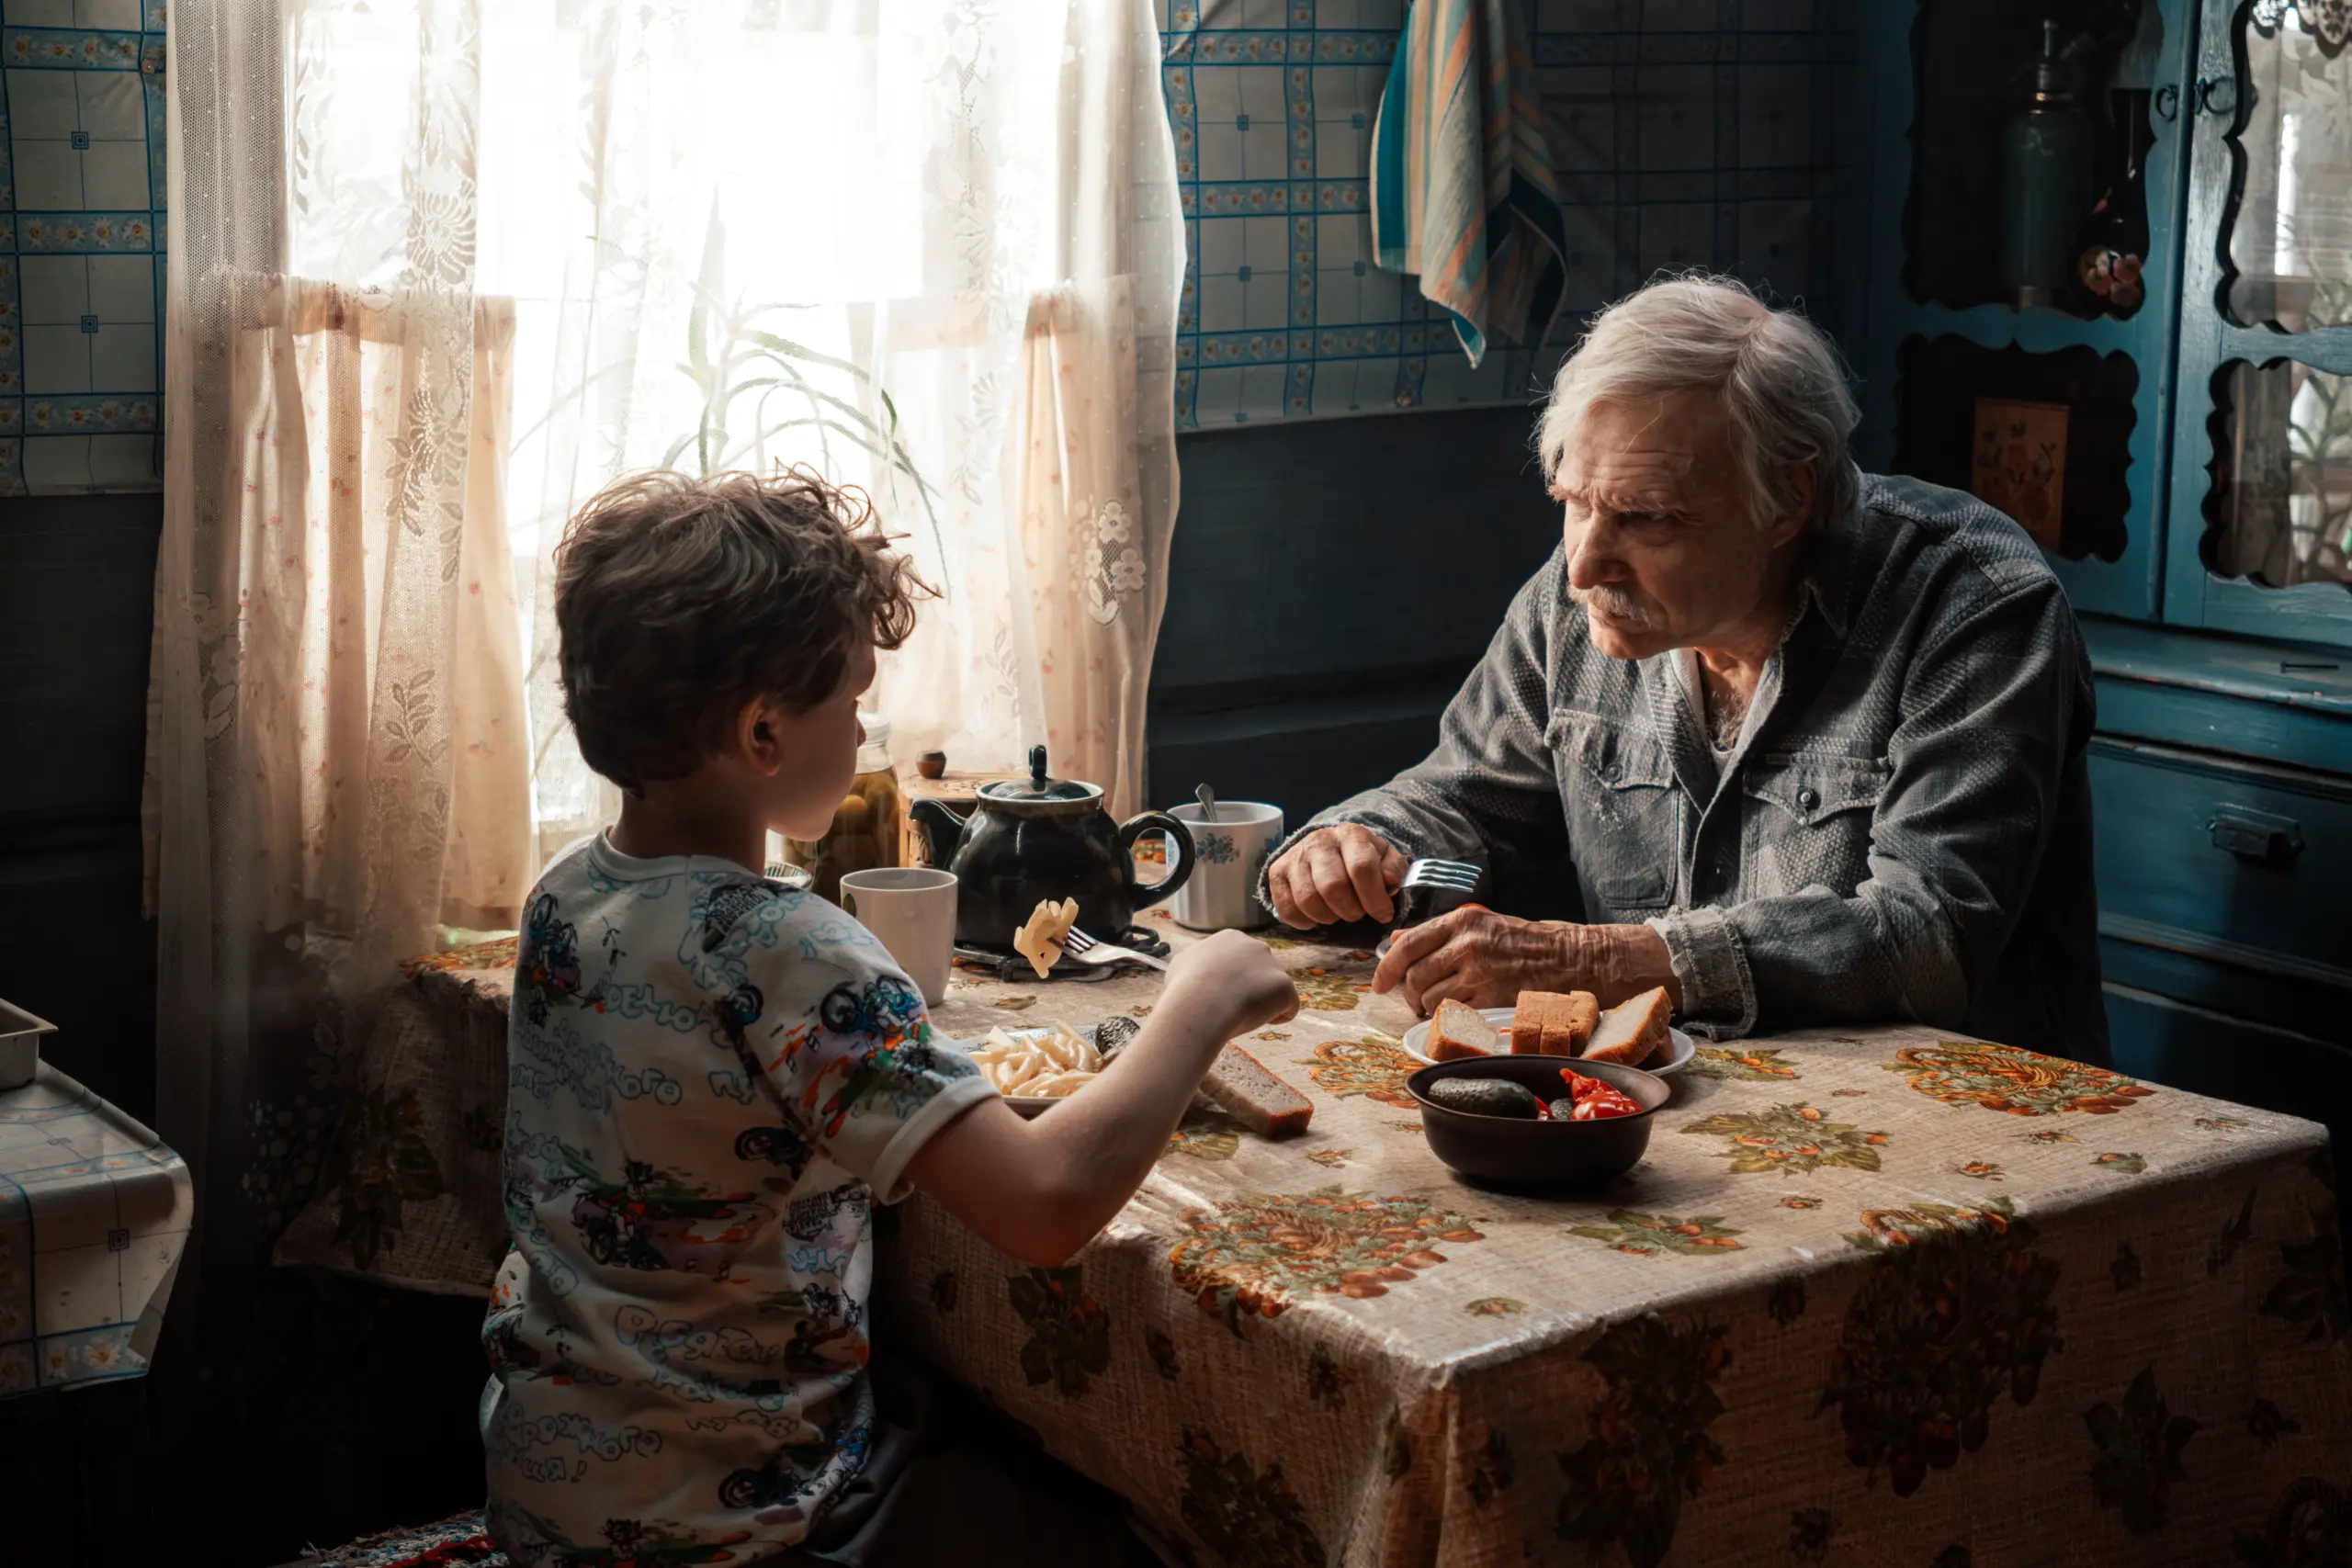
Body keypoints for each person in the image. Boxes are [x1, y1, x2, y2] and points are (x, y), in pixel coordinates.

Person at [481, 468, 1299, 1564]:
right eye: (853, 702)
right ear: (763, 733)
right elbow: (1045, 1207)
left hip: (549, 1494)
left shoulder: (563, 896)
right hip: (739, 1524)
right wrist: (1199, 1004)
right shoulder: (789, 947)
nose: (865, 730)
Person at [1261, 274, 2107, 1064]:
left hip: (1968, 1125)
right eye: (1573, 502)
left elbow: (1927, 937)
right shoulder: (1578, 598)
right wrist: (1364, 842)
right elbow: (1461, 797)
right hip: (1682, 1107)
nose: (1584, 565)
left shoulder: (1974, 602)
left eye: (1646, 517)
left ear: (1788, 499)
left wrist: (1601, 961)